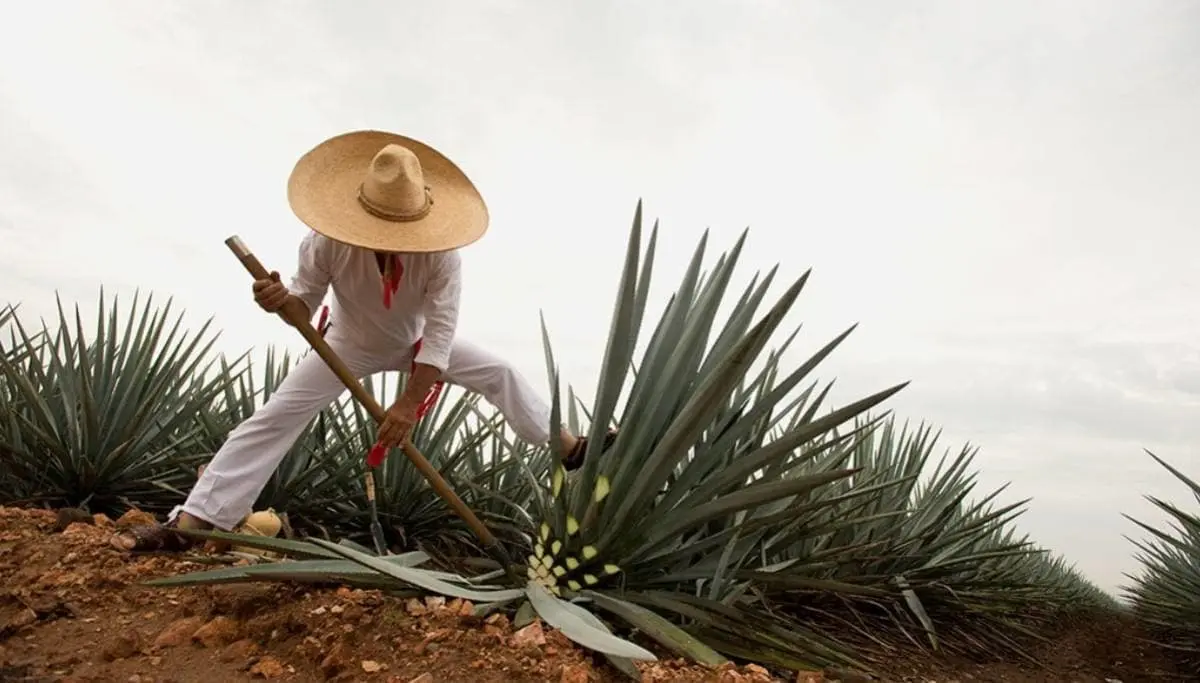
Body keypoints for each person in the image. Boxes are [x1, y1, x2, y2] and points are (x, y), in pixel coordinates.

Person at [112, 130, 614, 552]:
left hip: (418, 347)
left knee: (499, 372)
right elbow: (303, 308)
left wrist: (407, 406)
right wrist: (278, 300)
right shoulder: (326, 241)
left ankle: (568, 449)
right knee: (275, 416)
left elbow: (439, 333)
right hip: (346, 346)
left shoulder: (442, 256)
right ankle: (198, 519)